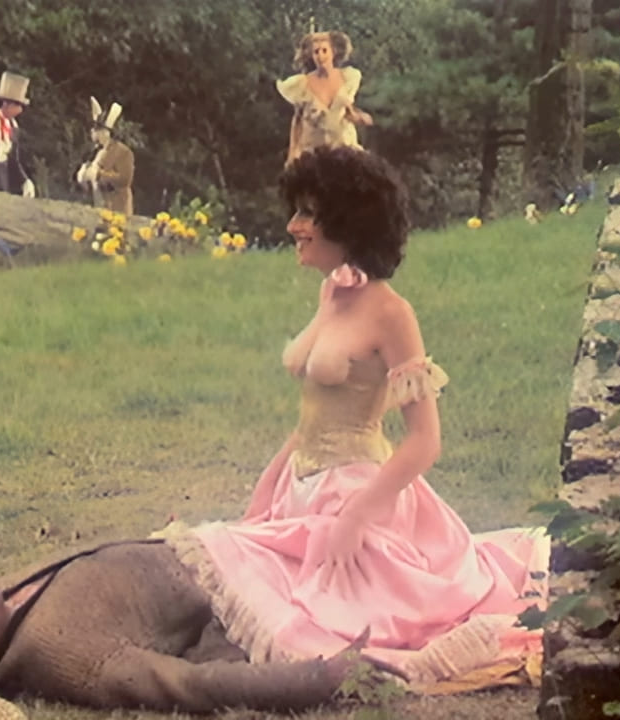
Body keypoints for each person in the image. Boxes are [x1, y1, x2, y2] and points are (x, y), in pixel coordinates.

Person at [153, 145, 551, 689]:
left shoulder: (392, 313)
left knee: (319, 628)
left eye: (307, 214)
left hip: (357, 492)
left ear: (347, 222)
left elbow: (425, 440)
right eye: (295, 211)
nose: (293, 226)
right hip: (302, 484)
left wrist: (356, 517)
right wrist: (269, 484)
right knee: (231, 561)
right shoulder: (331, 293)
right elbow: (313, 417)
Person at [0, 539, 394, 711]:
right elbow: (187, 684)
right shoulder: (58, 653)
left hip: (229, 541)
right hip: (254, 582)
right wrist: (318, 678)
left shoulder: (2, 602)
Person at [276, 31, 373, 167]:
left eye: (324, 51)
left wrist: (359, 117)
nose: (321, 56)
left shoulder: (347, 78)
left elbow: (349, 111)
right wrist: (293, 153)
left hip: (343, 149)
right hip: (315, 153)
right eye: (316, 52)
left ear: (333, 52)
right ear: (312, 56)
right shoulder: (302, 85)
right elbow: (297, 120)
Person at [75, 97, 135, 215]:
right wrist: (83, 176)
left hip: (116, 209)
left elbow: (124, 180)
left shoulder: (123, 152)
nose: (93, 132)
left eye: (97, 130)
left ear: (105, 132)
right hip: (96, 206)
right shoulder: (94, 151)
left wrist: (99, 175)